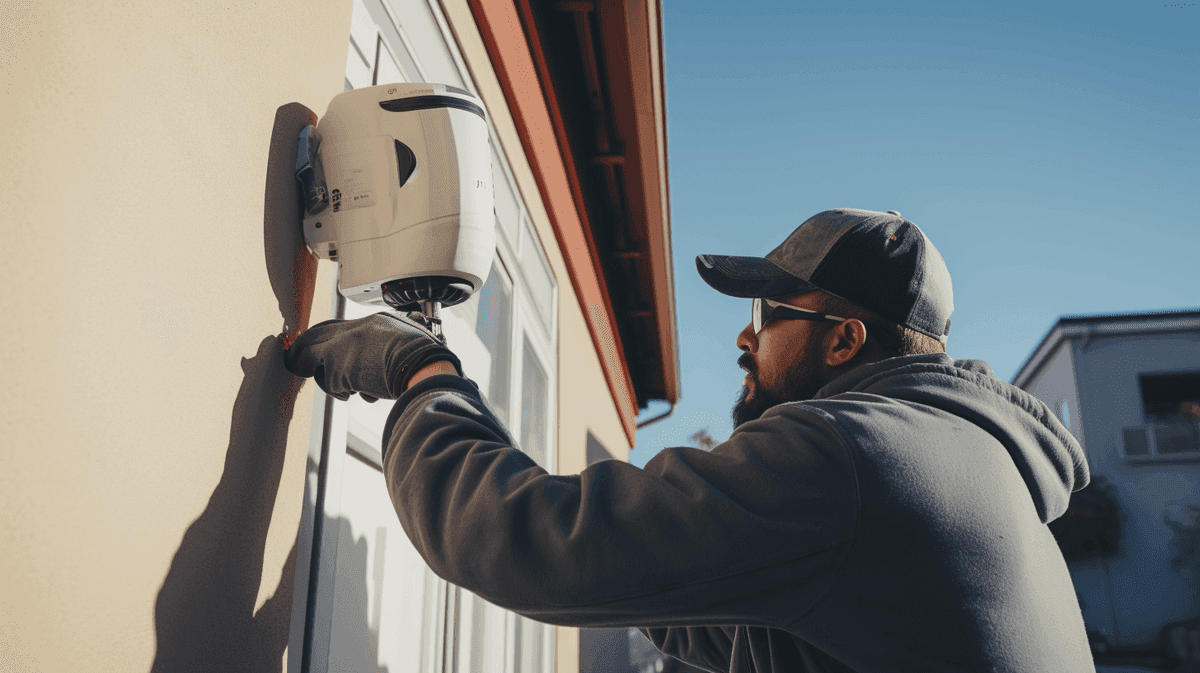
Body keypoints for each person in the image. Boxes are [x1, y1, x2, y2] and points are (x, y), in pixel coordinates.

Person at [284, 208, 1094, 672]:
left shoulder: (853, 454)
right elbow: (760, 624)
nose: (744, 341)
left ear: (844, 340)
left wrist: (423, 372)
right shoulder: (976, 462)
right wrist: (650, 576)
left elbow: (521, 540)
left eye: (765, 317)